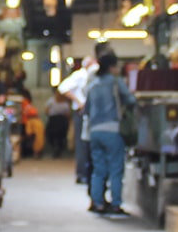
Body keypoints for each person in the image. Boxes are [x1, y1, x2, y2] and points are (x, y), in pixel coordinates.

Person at [84, 52, 135, 216]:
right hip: (113, 129)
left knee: (98, 169)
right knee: (115, 169)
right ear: (112, 67)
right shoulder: (115, 82)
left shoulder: (92, 84)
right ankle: (115, 204)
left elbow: (86, 109)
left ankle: (98, 203)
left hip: (94, 131)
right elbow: (130, 100)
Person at [59, 54, 98, 185]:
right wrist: (79, 101)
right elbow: (63, 88)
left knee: (90, 143)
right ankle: (82, 173)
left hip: (91, 112)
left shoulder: (93, 76)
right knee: (82, 143)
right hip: (81, 112)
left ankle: (89, 173)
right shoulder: (80, 75)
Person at [44, 89, 72, 156]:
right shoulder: (51, 101)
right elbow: (46, 111)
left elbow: (68, 114)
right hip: (53, 120)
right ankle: (55, 148)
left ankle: (59, 149)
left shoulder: (65, 103)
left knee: (61, 136)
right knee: (50, 134)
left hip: (61, 121)